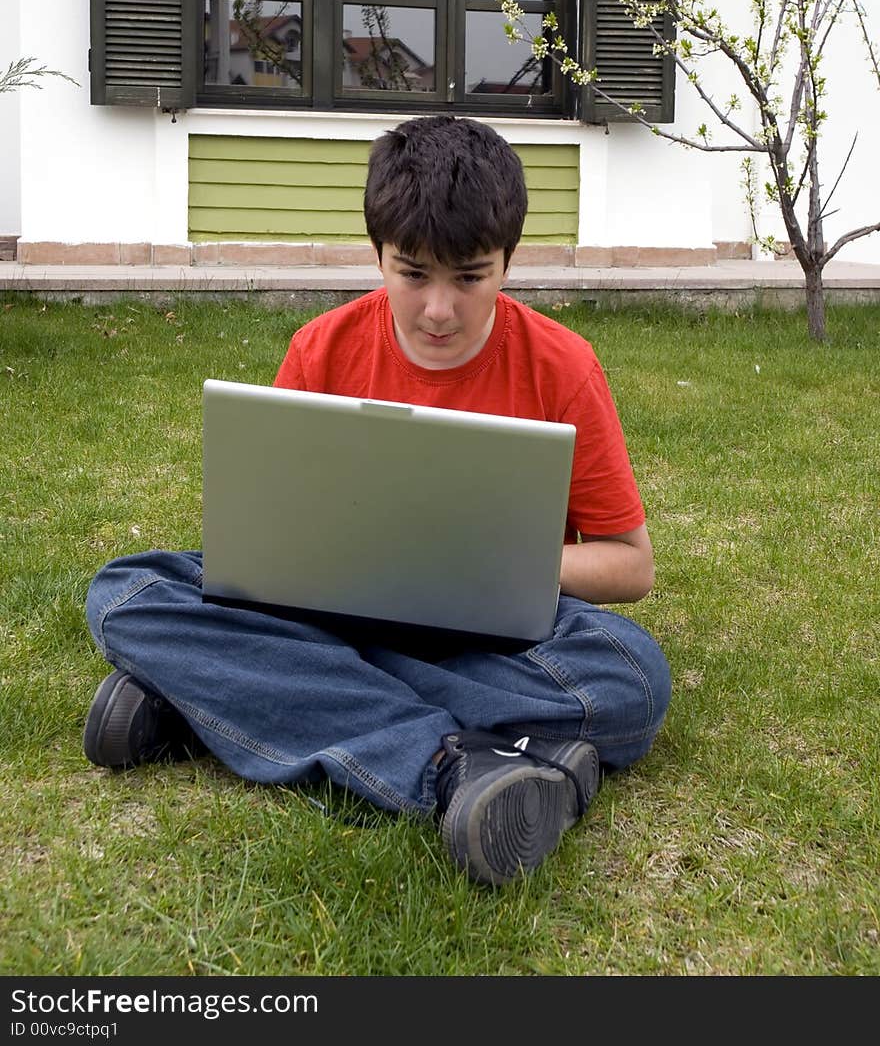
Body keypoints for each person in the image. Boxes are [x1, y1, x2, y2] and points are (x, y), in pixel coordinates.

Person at [83, 115, 670, 887]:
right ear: (378, 254)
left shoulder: (562, 366)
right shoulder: (321, 347)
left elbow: (630, 565)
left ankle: (227, 696)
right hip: (334, 605)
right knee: (126, 592)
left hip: (494, 633)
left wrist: (509, 559)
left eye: (469, 276)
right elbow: (271, 535)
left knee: (634, 677)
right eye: (413, 272)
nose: (437, 308)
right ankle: (451, 762)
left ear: (509, 263)